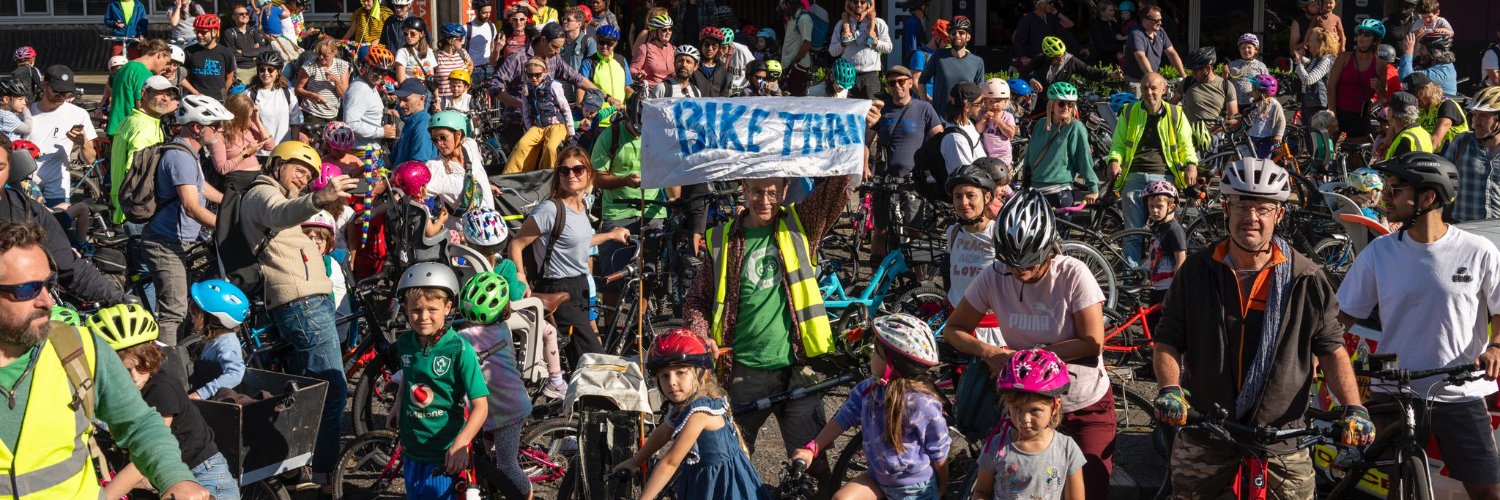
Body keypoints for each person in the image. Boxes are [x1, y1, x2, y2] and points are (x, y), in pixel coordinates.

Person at [1151, 158, 1371, 498]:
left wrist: (1353, 407)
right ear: (1226, 208)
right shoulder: (1196, 271)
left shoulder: (1305, 277)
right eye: (1242, 206)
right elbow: (1168, 339)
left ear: (1279, 215)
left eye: (1263, 209)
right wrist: (1170, 388)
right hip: (1207, 430)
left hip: (1282, 438)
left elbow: (1331, 348)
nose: (1251, 218)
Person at [0, 220, 209, 499]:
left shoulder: (76, 347)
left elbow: (141, 425)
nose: (47, 301)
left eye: (49, 284)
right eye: (27, 290)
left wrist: (175, 478)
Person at [1337, 152, 1500, 500]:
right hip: (1395, 391)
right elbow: (1342, 317)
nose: (1385, 197)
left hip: (1459, 390)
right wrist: (1311, 352)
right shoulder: (1379, 253)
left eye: (1396, 189)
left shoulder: (1479, 251)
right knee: (1398, 489)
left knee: (1486, 490)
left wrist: (1496, 346)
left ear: (1427, 198)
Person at [682, 166, 853, 483]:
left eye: (773, 192)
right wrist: (701, 335)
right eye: (757, 191)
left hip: (798, 371)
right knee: (730, 461)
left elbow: (837, 186)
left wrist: (856, 142)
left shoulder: (802, 223)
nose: (765, 200)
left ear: (785, 191)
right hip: (742, 372)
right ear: (744, 190)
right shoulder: (721, 239)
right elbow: (696, 300)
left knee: (814, 468)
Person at [942, 189, 1115, 500]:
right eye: (1011, 263)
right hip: (1026, 409)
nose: (1019, 272)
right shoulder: (995, 275)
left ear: (1048, 250)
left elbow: (1093, 342)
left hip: (1081, 402)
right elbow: (953, 330)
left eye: (1031, 264)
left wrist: (1033, 358)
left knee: (1089, 491)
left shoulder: (1073, 273)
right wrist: (989, 351)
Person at [240, 141, 356, 495]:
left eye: (309, 174)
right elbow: (279, 213)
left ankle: (294, 466)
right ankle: (324, 477)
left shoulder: (277, 194)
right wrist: (318, 199)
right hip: (301, 302)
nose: (303, 177)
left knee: (308, 391)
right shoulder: (262, 192)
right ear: (276, 164)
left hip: (308, 302)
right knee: (332, 390)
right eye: (298, 168)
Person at [794, 314, 949, 499]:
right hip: (877, 477)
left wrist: (941, 487)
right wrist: (812, 448)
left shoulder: (921, 403)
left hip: (914, 489)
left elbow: (939, 451)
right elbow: (843, 418)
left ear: (892, 365)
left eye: (876, 352)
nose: (871, 355)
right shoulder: (869, 389)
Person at [92, 306, 240, 500]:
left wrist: (106, 496)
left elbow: (150, 452)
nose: (134, 377)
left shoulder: (161, 389)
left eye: (141, 366)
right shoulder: (132, 388)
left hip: (204, 476)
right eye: (124, 371)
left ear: (151, 356)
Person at [614, 330, 771, 500]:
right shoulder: (685, 403)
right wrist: (636, 461)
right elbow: (663, 432)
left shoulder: (700, 412)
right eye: (665, 376)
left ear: (700, 373)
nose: (672, 382)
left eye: (680, 373)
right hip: (704, 479)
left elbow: (670, 462)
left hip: (722, 487)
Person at [510, 146, 630, 363]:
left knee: (577, 360)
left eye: (578, 169)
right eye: (564, 171)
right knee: (595, 360)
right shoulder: (550, 210)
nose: (571, 175)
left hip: (580, 286)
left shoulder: (582, 206)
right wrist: (520, 276)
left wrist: (611, 235)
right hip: (557, 288)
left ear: (588, 174)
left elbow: (577, 242)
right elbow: (517, 243)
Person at [388, 263, 490, 500]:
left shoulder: (460, 350)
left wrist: (461, 444)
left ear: (448, 307)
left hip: (444, 455)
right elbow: (409, 376)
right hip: (412, 450)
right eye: (415, 310)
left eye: (432, 309)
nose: (423, 317)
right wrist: (397, 404)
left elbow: (481, 406)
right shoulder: (406, 343)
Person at [142, 95, 231, 346]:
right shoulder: (180, 157)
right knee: (174, 311)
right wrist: (229, 227)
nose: (220, 130)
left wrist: (233, 204)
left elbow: (200, 188)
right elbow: (191, 207)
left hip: (179, 241)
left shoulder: (189, 152)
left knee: (184, 306)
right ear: (197, 127)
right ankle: (166, 365)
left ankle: (180, 355)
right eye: (216, 125)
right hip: (165, 242)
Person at [453, 272, 534, 499]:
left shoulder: (466, 337)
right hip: (506, 403)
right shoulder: (502, 328)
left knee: (507, 465)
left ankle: (527, 496)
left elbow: (446, 349)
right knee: (493, 459)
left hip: (508, 410)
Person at [1107, 72, 1198, 264]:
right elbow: (1118, 143)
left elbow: (1186, 145)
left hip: (1164, 177)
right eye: (1145, 88)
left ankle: (1164, 274)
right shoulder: (1129, 112)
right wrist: (1114, 160)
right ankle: (1130, 273)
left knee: (1166, 232)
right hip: (1134, 175)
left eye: (1154, 88)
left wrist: (1191, 164)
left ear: (1164, 89)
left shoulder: (1175, 113)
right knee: (1132, 233)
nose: (1149, 92)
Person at [972, 349, 1086, 499]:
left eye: (1035, 410)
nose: (1024, 419)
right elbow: (981, 491)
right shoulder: (995, 447)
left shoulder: (1067, 450)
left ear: (1055, 407)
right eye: (1017, 409)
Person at [109, 75, 178, 225]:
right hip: (137, 209)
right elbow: (139, 175)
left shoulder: (131, 119)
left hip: (123, 206)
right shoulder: (144, 127)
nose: (165, 98)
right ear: (144, 93)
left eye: (168, 94)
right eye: (159, 93)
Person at [28, 65, 97, 209]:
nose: (62, 95)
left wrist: (83, 143)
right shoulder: (27, 113)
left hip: (57, 192)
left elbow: (90, 159)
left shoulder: (79, 114)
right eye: (57, 90)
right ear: (44, 85)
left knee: (60, 223)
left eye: (66, 92)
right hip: (27, 189)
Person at [1025, 82, 1100, 208]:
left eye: (1070, 104)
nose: (1066, 107)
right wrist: (1024, 183)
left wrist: (1093, 188)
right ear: (1051, 105)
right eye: (1061, 103)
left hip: (1060, 192)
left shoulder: (1075, 127)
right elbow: (1029, 155)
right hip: (1035, 191)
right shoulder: (1040, 124)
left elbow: (1084, 159)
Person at [426, 110, 495, 228]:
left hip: (492, 225)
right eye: (434, 139)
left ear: (458, 134)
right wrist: (432, 228)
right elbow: (416, 198)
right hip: (463, 233)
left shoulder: (471, 146)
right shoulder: (435, 167)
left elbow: (476, 171)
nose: (439, 143)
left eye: (443, 137)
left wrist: (485, 186)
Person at [504, 57, 574, 174]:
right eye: (530, 75)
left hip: (556, 124)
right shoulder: (527, 88)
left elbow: (565, 107)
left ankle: (548, 175)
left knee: (550, 147)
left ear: (544, 71)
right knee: (522, 145)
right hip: (537, 126)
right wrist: (528, 127)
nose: (534, 78)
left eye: (538, 75)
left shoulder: (553, 85)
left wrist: (570, 131)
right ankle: (511, 175)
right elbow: (526, 109)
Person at [1018, 36, 1115, 119]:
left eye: (1062, 56)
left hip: (1061, 102)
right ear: (1049, 57)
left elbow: (1088, 71)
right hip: (1042, 101)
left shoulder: (1071, 61)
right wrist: (1031, 80)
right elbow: (1023, 73)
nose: (1061, 60)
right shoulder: (1040, 59)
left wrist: (1109, 74)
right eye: (1057, 58)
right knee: (1036, 123)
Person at [185, 279, 249, 400]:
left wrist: (200, 394)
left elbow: (235, 373)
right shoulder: (216, 339)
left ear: (214, 318)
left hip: (218, 402)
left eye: (194, 314)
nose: (192, 320)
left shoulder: (226, 344)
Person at [1327, 19, 1390, 142]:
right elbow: (1331, 86)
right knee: (1327, 151)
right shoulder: (1344, 58)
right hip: (1338, 113)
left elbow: (1383, 98)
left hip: (1360, 117)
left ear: (1375, 40)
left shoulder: (1380, 65)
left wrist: (1378, 88)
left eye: (1367, 34)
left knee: (1357, 152)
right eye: (1360, 33)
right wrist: (1332, 113)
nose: (1361, 37)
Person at [1447, 86, 1500, 223]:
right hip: (1463, 228)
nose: (1475, 122)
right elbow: (1442, 183)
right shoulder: (1461, 142)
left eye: (1483, 116)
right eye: (1474, 115)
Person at [1175, 47, 1239, 153]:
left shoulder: (1226, 86)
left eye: (1196, 70)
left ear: (1208, 68)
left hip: (1214, 141)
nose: (1192, 74)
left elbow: (1234, 119)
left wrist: (1212, 133)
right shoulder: (1187, 83)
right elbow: (1170, 105)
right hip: (1188, 140)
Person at [1140, 180, 1185, 327]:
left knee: (1164, 325)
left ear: (1171, 207)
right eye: (1151, 206)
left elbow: (1181, 259)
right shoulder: (1158, 226)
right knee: (1152, 323)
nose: (1154, 210)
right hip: (1156, 285)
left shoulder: (1174, 230)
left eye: (1159, 206)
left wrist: (1175, 288)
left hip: (1168, 287)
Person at [920, 16, 983, 117]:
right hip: (940, 119)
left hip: (966, 119)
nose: (957, 35)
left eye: (961, 33)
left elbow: (979, 92)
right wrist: (926, 105)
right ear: (949, 36)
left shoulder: (977, 62)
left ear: (968, 37)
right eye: (953, 33)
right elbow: (922, 81)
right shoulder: (938, 56)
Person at [107, 39, 172, 136]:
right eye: (167, 62)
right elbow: (142, 107)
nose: (166, 67)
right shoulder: (143, 72)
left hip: (116, 127)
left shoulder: (127, 66)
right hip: (130, 130)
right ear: (160, 55)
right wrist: (168, 108)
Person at [828, 0, 891, 99]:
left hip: (871, 76)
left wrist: (876, 42)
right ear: (850, 3)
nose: (859, 4)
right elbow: (832, 51)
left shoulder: (878, 23)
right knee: (847, 108)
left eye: (862, 2)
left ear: (868, 3)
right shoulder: (841, 24)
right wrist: (843, 44)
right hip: (847, 76)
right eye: (855, 2)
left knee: (872, 107)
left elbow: (889, 48)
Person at [219, 92, 274, 193]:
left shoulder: (248, 128)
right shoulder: (220, 134)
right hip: (237, 184)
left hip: (256, 179)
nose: (250, 119)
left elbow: (270, 146)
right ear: (238, 116)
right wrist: (246, 153)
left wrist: (257, 121)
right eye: (248, 116)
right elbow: (222, 168)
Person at [1292, 27, 1338, 146]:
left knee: (1316, 137)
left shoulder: (1326, 60)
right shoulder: (1317, 58)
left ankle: (1320, 157)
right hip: (1309, 102)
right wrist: (1301, 59)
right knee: (1309, 134)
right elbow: (1310, 67)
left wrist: (1298, 63)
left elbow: (1308, 79)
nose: (1308, 44)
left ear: (1320, 43)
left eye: (1311, 41)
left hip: (1318, 104)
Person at [296, 38, 351, 135]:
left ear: (334, 53)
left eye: (325, 55)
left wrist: (337, 81)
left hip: (332, 114)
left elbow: (343, 95)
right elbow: (298, 89)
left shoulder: (341, 65)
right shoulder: (310, 65)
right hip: (312, 114)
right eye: (319, 54)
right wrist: (314, 95)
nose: (321, 57)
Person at [1122, 5, 1184, 86]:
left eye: (1160, 20)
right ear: (1145, 21)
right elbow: (1141, 57)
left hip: (1151, 80)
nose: (1160, 23)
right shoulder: (1136, 35)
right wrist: (1154, 78)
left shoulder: (1161, 32)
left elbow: (1171, 53)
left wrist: (1183, 75)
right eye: (1156, 20)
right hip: (1135, 82)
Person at [250, 52, 300, 146]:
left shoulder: (287, 93)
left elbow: (295, 123)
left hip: (283, 149)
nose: (266, 73)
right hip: (260, 150)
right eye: (262, 69)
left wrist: (295, 146)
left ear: (277, 72)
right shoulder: (250, 94)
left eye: (270, 69)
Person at [1407, 72, 1466, 151]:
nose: (1413, 100)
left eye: (1415, 96)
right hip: (1434, 155)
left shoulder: (1446, 105)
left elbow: (1436, 140)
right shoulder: (1420, 110)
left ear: (1426, 90)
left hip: (1454, 154)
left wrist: (1422, 156)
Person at [1013, 0, 1077, 66]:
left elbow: (1069, 26)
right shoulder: (1028, 19)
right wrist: (1023, 57)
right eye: (1049, 3)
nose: (1052, 5)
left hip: (1049, 61)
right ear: (1041, 4)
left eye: (1052, 3)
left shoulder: (1051, 19)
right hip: (1034, 61)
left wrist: (1057, 13)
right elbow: (1018, 41)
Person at [389, 78, 437, 166]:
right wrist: (369, 167)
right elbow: (393, 157)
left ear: (421, 99)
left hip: (406, 174)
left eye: (406, 99)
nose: (401, 104)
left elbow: (418, 166)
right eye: (399, 99)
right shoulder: (410, 121)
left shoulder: (422, 127)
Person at [940, 81, 986, 174]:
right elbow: (966, 175)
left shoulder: (967, 123)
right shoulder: (956, 139)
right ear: (967, 106)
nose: (983, 105)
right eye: (980, 102)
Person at [1399, 31, 1457, 97]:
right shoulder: (1435, 64)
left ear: (1434, 52)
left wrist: (1408, 52)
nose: (1419, 51)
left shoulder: (1441, 72)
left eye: (1422, 48)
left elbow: (1405, 79)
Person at [222, 4, 266, 85]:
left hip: (257, 69)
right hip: (241, 72)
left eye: (246, 13)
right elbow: (232, 56)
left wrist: (243, 52)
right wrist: (254, 53)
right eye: (241, 14)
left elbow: (263, 49)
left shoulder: (252, 31)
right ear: (234, 17)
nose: (245, 15)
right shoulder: (229, 33)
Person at [780, 0, 817, 96]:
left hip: (798, 68)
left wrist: (794, 62)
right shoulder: (792, 19)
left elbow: (807, 43)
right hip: (790, 68)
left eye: (783, 3)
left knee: (796, 100)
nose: (782, 7)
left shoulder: (804, 18)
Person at [1381, 92, 1432, 160]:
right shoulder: (1424, 133)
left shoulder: (1405, 139)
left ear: (1392, 112)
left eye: (1388, 108)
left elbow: (1398, 166)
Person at [1245, 75, 1285, 159]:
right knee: (1250, 159)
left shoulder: (1274, 104)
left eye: (1254, 90)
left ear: (1261, 92)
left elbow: (1281, 120)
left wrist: (1279, 135)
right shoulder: (1254, 102)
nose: (1251, 92)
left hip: (1266, 139)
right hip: (1251, 136)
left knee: (1263, 161)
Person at [631, 12, 675, 87]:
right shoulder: (645, 48)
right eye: (664, 30)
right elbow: (633, 68)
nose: (668, 32)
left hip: (669, 89)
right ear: (654, 32)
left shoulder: (672, 49)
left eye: (670, 29)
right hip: (651, 89)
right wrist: (637, 74)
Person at [435, 23, 474, 104]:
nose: (462, 42)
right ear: (450, 40)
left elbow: (470, 65)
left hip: (461, 102)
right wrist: (437, 99)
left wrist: (465, 80)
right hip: (443, 103)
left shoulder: (463, 53)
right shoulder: (436, 57)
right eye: (460, 39)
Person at [1228, 34, 1269, 109]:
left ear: (1255, 49)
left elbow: (1267, 86)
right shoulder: (1232, 65)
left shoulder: (1261, 66)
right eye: (1243, 48)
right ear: (1239, 50)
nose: (1246, 50)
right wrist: (1224, 75)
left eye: (1249, 47)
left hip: (1254, 104)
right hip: (1235, 103)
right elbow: (1225, 83)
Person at [395, 17, 437, 85]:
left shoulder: (429, 52)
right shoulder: (402, 52)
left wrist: (435, 92)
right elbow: (401, 82)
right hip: (411, 90)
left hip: (427, 91)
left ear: (421, 33)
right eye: (405, 33)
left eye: (412, 33)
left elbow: (431, 79)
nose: (408, 36)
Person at [693, 26, 732, 98]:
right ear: (701, 46)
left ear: (718, 48)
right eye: (707, 44)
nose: (710, 48)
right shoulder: (693, 66)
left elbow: (724, 92)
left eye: (714, 45)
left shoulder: (722, 67)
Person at [467, 1, 501, 82]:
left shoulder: (491, 26)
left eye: (489, 12)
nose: (488, 15)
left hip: (489, 68)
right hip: (473, 69)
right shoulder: (467, 28)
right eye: (484, 13)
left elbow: (492, 48)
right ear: (476, 12)